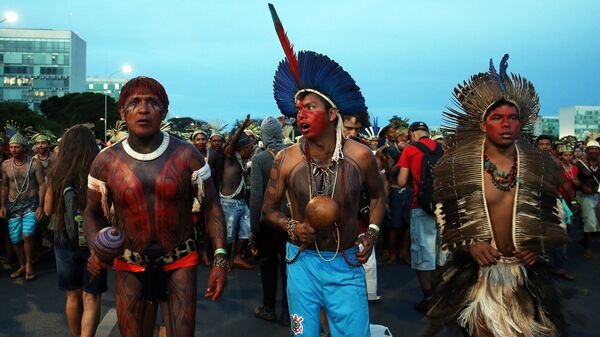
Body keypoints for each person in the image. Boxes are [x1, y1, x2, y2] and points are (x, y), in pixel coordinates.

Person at [262, 5, 386, 336]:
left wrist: (371, 235)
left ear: (333, 114)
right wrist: (291, 226)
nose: (300, 114)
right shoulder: (285, 159)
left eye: (310, 107)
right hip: (301, 262)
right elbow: (268, 212)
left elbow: (379, 195)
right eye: (298, 108)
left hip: (346, 262)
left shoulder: (360, 155)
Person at [426, 54, 568, 337]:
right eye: (498, 118)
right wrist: (469, 244)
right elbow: (445, 213)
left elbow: (555, 214)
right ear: (483, 125)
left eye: (513, 118)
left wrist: (538, 245)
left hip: (523, 273)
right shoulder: (460, 167)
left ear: (521, 123)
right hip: (481, 273)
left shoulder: (539, 166)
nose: (506, 124)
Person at [83, 76, 228, 337]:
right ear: (122, 111)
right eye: (134, 102)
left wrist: (219, 259)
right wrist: (97, 250)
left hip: (179, 261)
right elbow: (92, 212)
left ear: (164, 111)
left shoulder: (187, 156)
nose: (143, 109)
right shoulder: (106, 160)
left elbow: (213, 207)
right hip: (130, 263)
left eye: (152, 102)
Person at [44, 125, 107, 337]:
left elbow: (48, 210)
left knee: (72, 296)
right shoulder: (99, 171)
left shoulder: (56, 173)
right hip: (94, 239)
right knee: (91, 297)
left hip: (64, 238)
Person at [397, 121, 444, 312]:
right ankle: (441, 295)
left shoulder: (410, 150)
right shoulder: (443, 148)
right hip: (444, 207)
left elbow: (401, 181)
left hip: (421, 206)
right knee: (442, 254)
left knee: (423, 254)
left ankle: (429, 297)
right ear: (427, 133)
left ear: (413, 134)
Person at [250, 116, 290, 325]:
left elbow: (257, 196)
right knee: (288, 267)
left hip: (268, 221)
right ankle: (287, 312)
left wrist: (254, 229)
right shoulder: (293, 152)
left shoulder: (261, 158)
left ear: (264, 135)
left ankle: (268, 308)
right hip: (290, 220)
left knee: (268, 264)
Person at [0, 132, 46, 280]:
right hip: (12, 206)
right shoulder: (6, 165)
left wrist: (40, 205)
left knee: (27, 235)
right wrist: (2, 204)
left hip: (30, 205)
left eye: (17, 147)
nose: (13, 150)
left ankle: (29, 266)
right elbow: (5, 187)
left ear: (24, 148)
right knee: (15, 239)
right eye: (11, 147)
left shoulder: (34, 163)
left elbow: (42, 185)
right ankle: (22, 265)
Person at [220, 115, 255, 270]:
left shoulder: (241, 161)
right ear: (242, 149)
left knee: (246, 230)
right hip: (229, 203)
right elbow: (230, 146)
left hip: (241, 203)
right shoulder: (230, 158)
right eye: (250, 148)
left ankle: (237, 257)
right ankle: (226, 260)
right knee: (228, 234)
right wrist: (241, 127)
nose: (252, 149)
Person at [575, 140, 600, 258]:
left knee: (597, 221)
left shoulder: (599, 163)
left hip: (597, 194)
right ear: (587, 150)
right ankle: (588, 248)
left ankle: (585, 241)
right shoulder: (579, 163)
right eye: (591, 148)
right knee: (590, 221)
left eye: (596, 148)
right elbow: (574, 179)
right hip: (584, 195)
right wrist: (582, 186)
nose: (594, 151)